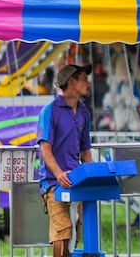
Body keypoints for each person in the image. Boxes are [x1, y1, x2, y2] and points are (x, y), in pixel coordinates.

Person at [37, 64, 93, 257]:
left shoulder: (84, 112)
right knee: (63, 232)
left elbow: (86, 150)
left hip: (77, 181)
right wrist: (59, 174)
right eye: (85, 79)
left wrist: (91, 177)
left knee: (74, 235)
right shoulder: (50, 111)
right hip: (53, 183)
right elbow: (45, 150)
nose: (88, 83)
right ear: (71, 82)